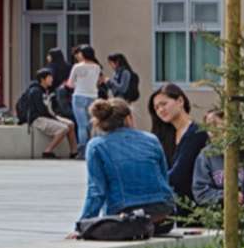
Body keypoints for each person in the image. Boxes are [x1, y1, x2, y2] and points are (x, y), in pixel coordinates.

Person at [73, 98, 177, 239]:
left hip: (125, 218)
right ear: (129, 118)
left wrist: (82, 227)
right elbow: (164, 178)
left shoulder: (96, 146)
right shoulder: (151, 139)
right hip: (164, 216)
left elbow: (96, 191)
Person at [149, 85, 211, 218]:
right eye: (156, 108)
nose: (160, 110)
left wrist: (151, 184)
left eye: (163, 104)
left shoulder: (197, 133)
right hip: (171, 206)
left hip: (193, 209)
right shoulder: (165, 136)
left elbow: (179, 174)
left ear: (180, 101)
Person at [15, 70, 75, 159]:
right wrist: (55, 118)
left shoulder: (45, 91)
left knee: (70, 124)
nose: (52, 79)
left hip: (46, 116)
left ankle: (74, 152)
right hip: (36, 118)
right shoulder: (35, 91)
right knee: (63, 128)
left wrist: (55, 117)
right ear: (42, 79)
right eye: (49, 77)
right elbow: (41, 110)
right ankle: (48, 151)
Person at [67, 46, 104, 155]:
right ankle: (94, 149)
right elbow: (98, 82)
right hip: (93, 96)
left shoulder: (77, 67)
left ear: (83, 54)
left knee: (82, 125)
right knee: (92, 124)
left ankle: (83, 151)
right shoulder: (97, 67)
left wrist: (78, 84)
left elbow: (70, 83)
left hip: (79, 96)